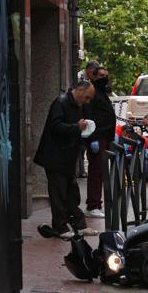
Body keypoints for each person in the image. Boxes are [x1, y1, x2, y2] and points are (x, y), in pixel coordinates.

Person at [33, 81, 97, 239]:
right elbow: (55, 126)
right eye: (87, 97)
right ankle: (60, 227)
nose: (87, 101)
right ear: (80, 91)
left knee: (71, 192)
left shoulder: (76, 105)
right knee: (59, 193)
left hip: (67, 157)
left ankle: (79, 225)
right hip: (55, 157)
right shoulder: (60, 102)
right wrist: (77, 127)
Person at [84, 68, 116, 218]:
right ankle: (92, 205)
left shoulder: (102, 92)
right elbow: (89, 116)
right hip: (97, 137)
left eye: (106, 75)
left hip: (105, 137)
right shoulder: (93, 92)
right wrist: (92, 139)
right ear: (94, 76)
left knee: (100, 172)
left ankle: (96, 203)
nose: (104, 78)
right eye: (101, 75)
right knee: (96, 172)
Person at [77, 62, 100, 178]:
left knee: (84, 147)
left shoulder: (91, 81)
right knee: (81, 146)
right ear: (89, 70)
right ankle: (80, 170)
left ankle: (81, 169)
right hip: (81, 114)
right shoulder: (79, 77)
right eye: (94, 72)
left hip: (87, 115)